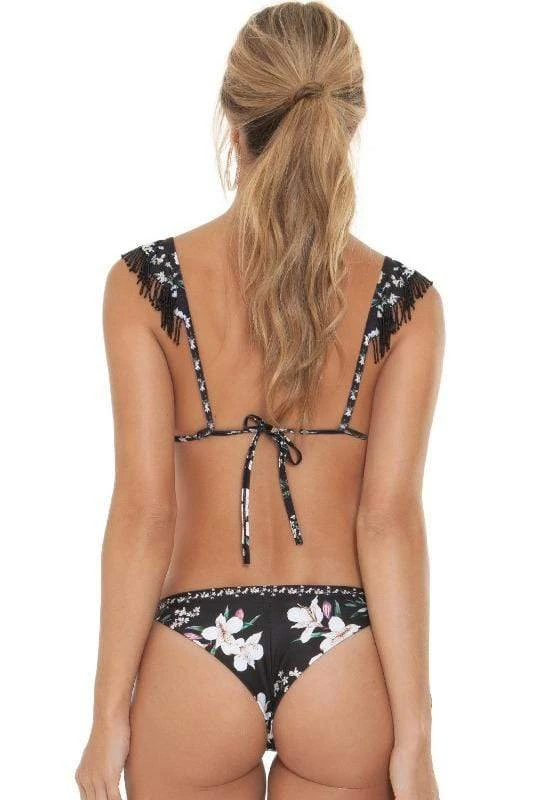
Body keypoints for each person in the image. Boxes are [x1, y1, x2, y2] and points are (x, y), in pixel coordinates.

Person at [75, 3, 444, 798]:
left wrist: (106, 719)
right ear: (350, 121)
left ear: (232, 117)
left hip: (195, 650)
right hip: (345, 653)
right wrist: (415, 735)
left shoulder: (143, 286)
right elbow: (387, 520)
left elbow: (144, 512)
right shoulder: (405, 302)